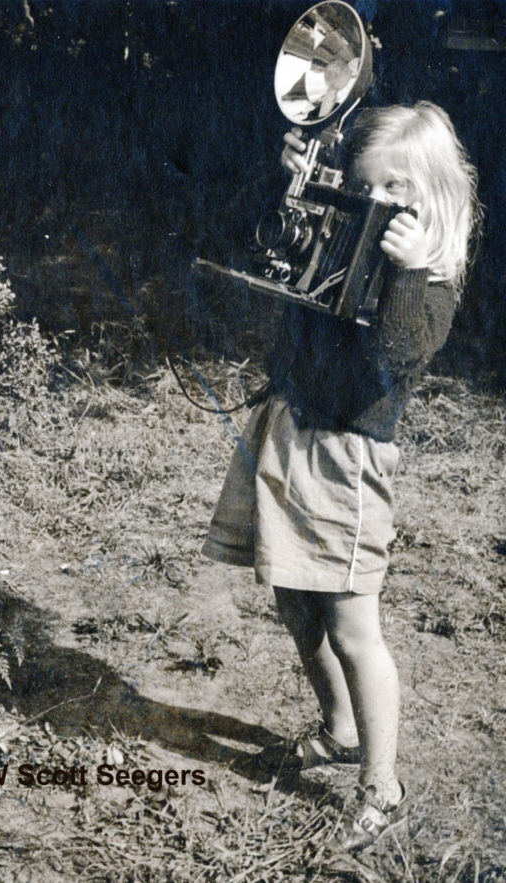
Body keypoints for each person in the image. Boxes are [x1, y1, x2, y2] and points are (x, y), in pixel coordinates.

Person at [201, 101, 480, 851]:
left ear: (428, 200)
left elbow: (393, 357)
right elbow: (264, 247)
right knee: (292, 596)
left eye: (386, 193)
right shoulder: (343, 231)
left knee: (354, 625)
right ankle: (343, 725)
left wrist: (412, 268)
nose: (366, 206)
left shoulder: (430, 285)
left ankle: (382, 788)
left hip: (347, 456)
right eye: (358, 189)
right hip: (290, 425)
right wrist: (286, 181)